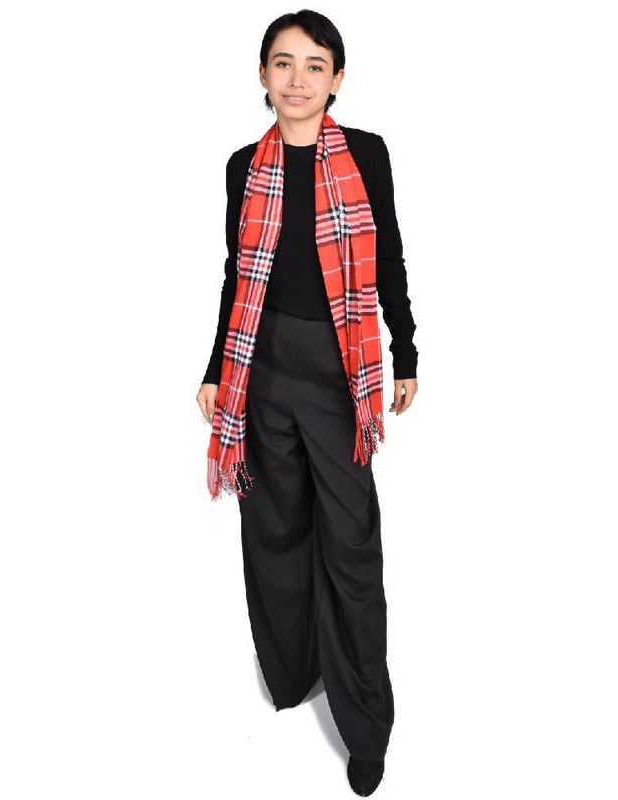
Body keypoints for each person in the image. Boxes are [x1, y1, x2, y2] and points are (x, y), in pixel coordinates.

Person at [195, 10, 418, 797]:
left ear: (337, 79)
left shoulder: (366, 154)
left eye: (314, 65)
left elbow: (387, 254)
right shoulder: (241, 166)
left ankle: (366, 728)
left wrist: (405, 350)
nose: (297, 80)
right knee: (275, 527)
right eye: (283, 63)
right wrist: (216, 369)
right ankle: (294, 674)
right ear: (263, 75)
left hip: (337, 365)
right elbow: (238, 273)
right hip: (259, 368)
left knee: (351, 543)